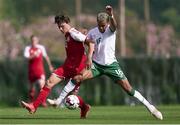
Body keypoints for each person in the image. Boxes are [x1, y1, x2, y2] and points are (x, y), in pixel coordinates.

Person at [47, 5, 163, 120]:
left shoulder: (110, 30)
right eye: (99, 25)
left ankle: (151, 107)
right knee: (77, 78)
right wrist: (85, 41)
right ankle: (58, 101)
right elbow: (86, 41)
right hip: (96, 65)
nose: (101, 28)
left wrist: (111, 15)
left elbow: (115, 25)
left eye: (103, 26)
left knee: (128, 89)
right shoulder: (93, 32)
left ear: (107, 24)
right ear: (97, 23)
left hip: (111, 65)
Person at [21, 15, 92, 119]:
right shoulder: (68, 35)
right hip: (67, 67)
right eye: (59, 27)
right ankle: (33, 106)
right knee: (49, 82)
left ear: (67, 23)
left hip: (78, 68)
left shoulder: (73, 33)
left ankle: (84, 107)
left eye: (62, 26)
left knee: (72, 96)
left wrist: (89, 57)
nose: (60, 29)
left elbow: (90, 42)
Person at [24, 35, 54, 107]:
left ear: (37, 41)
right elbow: (27, 58)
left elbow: (46, 57)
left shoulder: (41, 48)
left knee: (41, 86)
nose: (34, 41)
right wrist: (33, 56)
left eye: (35, 40)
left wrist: (50, 66)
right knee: (32, 89)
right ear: (31, 41)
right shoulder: (28, 48)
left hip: (40, 70)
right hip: (31, 71)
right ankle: (31, 102)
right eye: (32, 40)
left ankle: (43, 102)